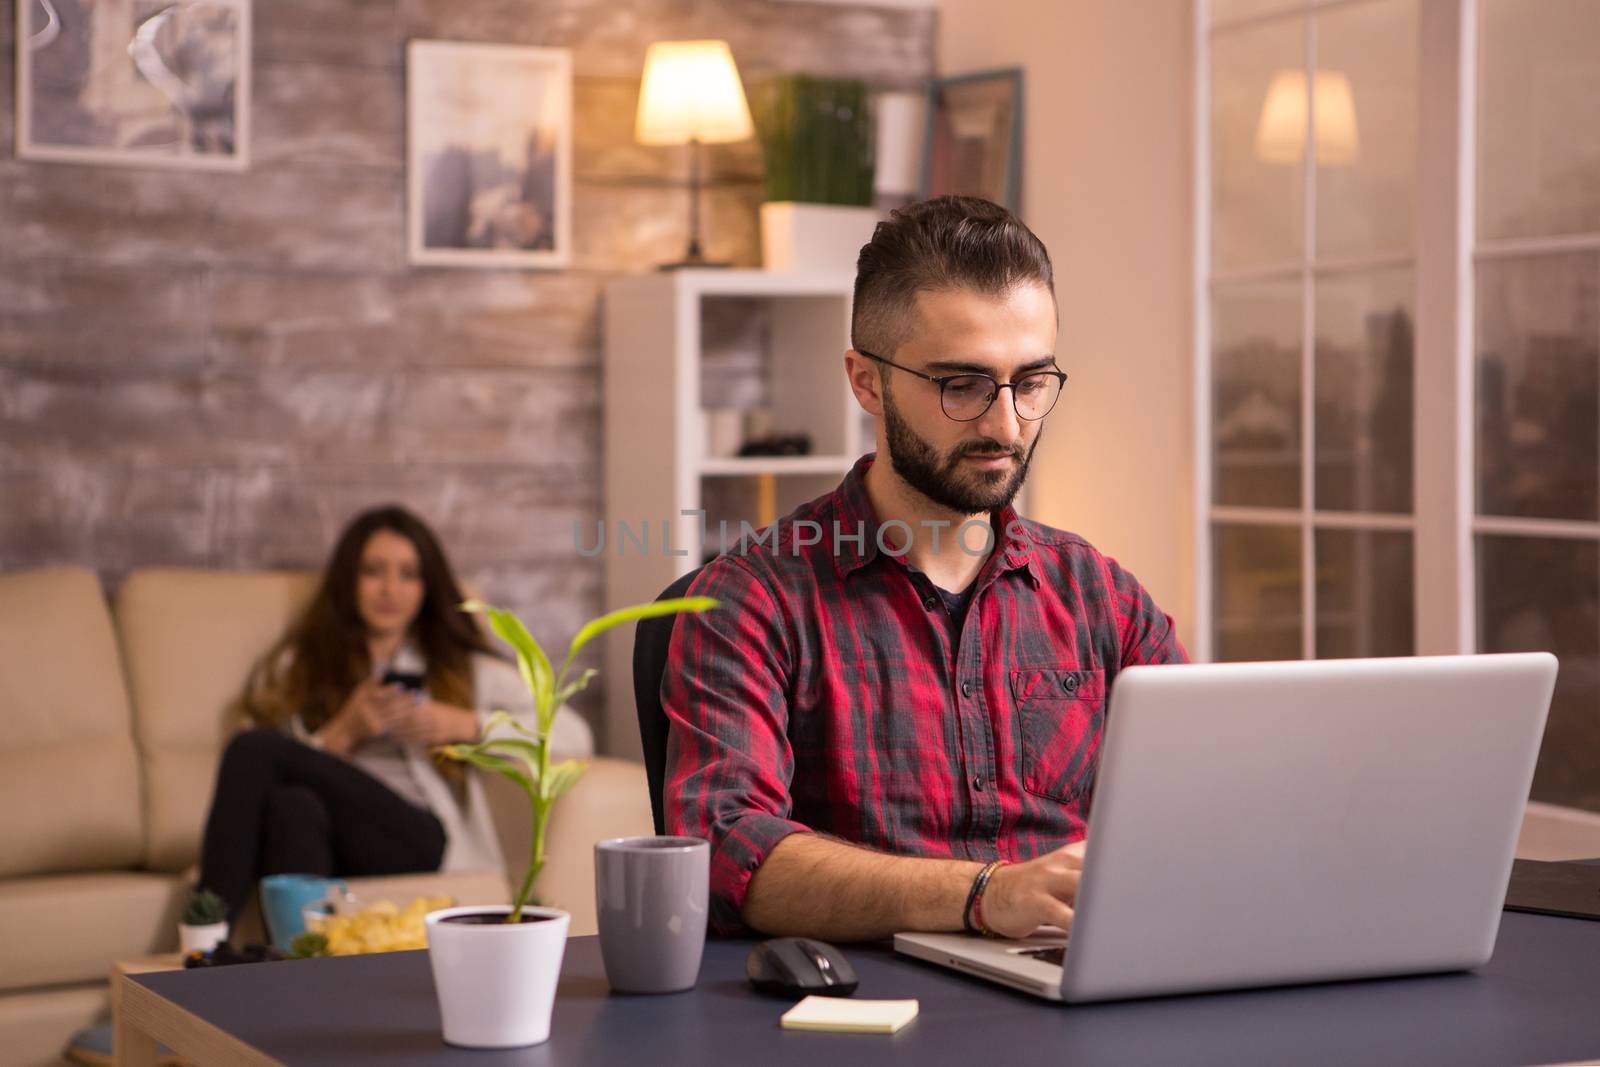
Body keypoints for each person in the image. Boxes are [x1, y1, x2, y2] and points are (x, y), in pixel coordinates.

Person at [662, 196, 1187, 942]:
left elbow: (1203, 808)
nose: (1006, 425)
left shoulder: (1103, 600)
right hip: (865, 1019)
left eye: (1031, 382)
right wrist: (984, 894)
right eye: (961, 385)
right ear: (866, 382)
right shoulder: (751, 601)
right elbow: (720, 849)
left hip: (1082, 993)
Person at [198, 505, 592, 921]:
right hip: (333, 836)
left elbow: (573, 733)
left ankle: (201, 934)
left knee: (251, 748)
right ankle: (297, 965)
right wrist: (340, 735)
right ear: (348, 580)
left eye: (408, 574)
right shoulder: (303, 664)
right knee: (292, 805)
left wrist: (465, 724)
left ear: (427, 588)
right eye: (373, 571)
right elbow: (256, 778)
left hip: (418, 835)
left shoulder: (461, 667)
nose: (389, 589)